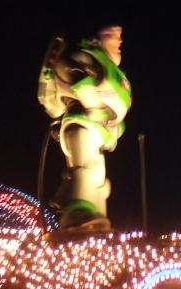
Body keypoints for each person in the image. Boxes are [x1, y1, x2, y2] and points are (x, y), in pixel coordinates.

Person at [38, 25, 131, 230]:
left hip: (96, 131)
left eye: (120, 36)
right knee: (86, 168)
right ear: (98, 38)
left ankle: (96, 217)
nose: (119, 40)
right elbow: (67, 68)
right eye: (112, 35)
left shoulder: (112, 72)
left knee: (99, 181)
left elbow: (116, 118)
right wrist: (91, 103)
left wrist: (114, 130)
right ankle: (76, 214)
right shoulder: (89, 58)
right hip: (81, 125)